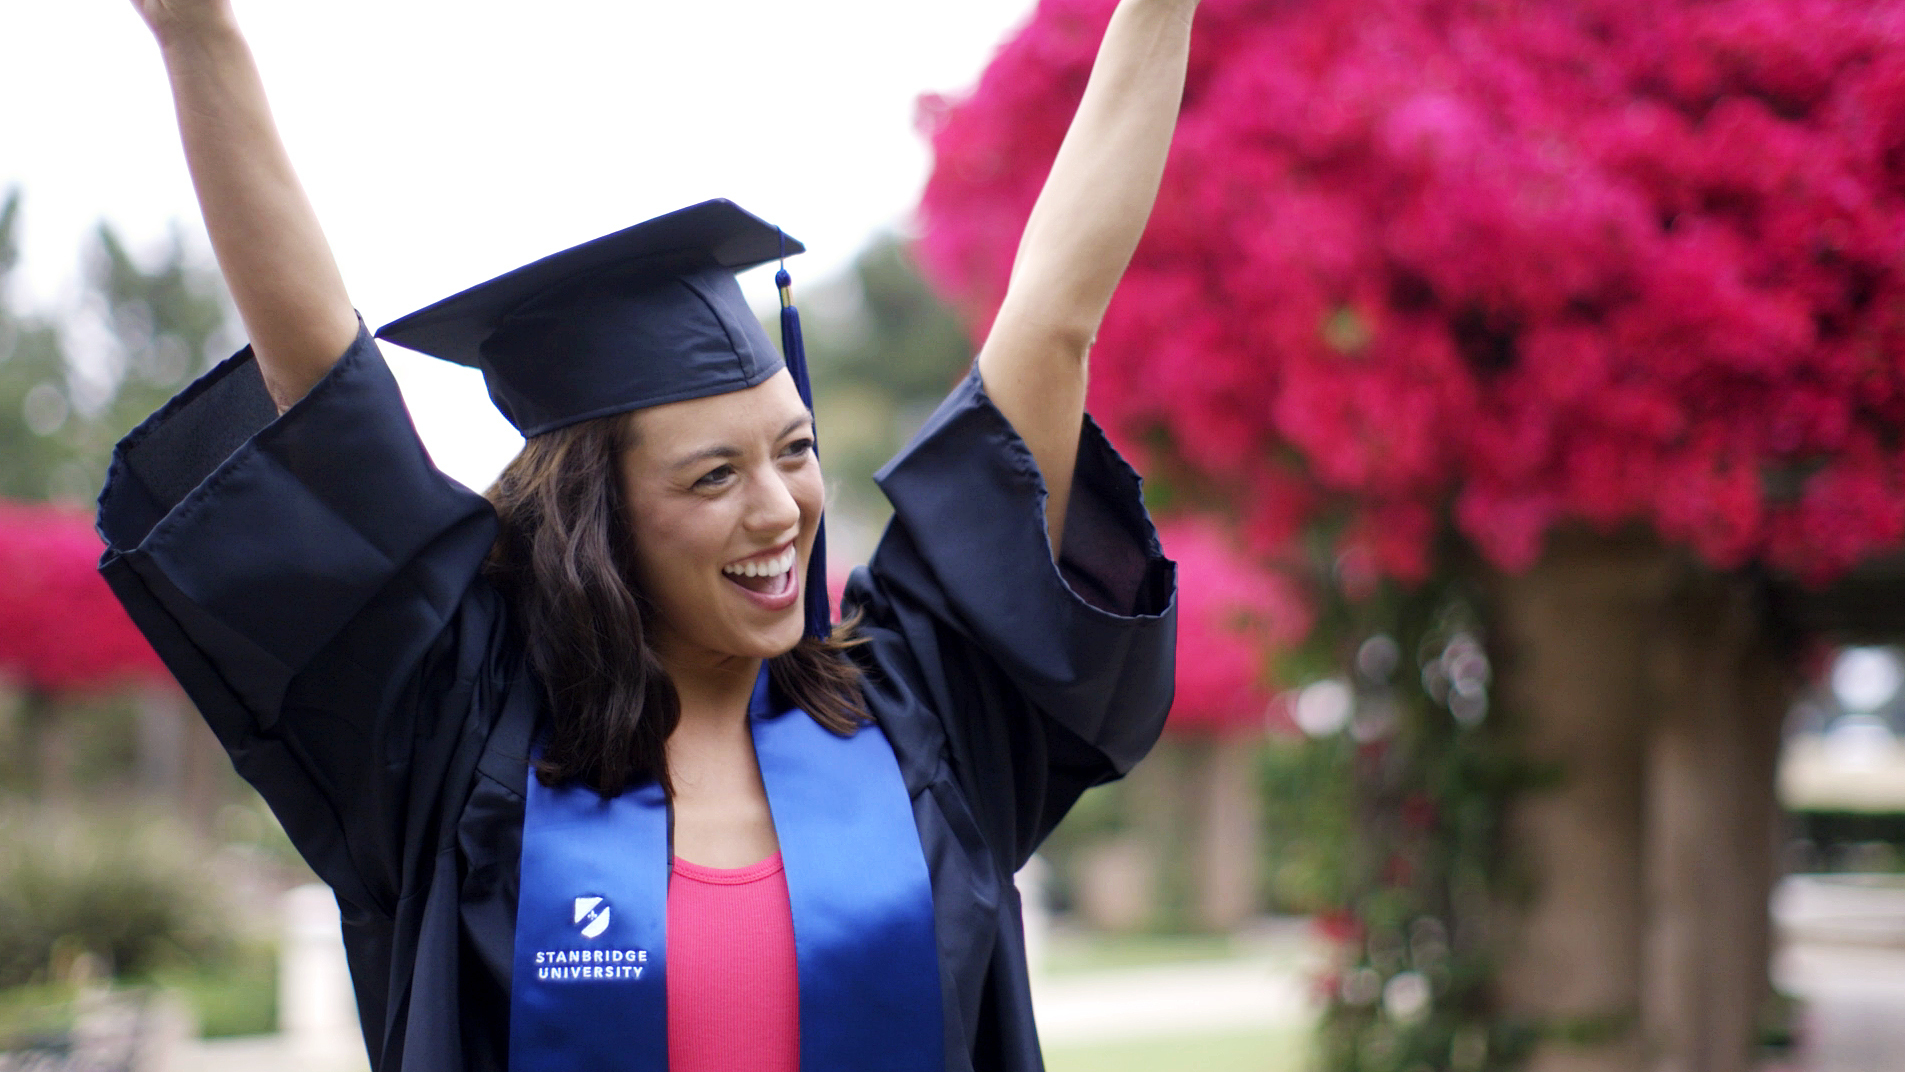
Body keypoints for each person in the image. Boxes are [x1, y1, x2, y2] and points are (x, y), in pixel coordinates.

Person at [99, 0, 1192, 1070]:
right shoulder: (460, 741)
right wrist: (199, 32)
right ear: (596, 524)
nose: (780, 509)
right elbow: (329, 401)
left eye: (794, 449)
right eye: (714, 475)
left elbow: (1053, 320)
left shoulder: (920, 714)